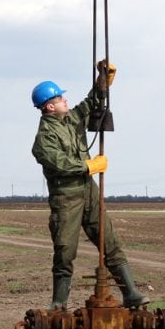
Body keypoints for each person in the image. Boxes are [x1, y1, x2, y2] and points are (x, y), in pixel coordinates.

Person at [30, 61, 149, 310]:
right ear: (50, 106)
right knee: (65, 251)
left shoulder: (72, 119)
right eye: (61, 98)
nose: (66, 100)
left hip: (89, 192)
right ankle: (59, 303)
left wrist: (102, 80)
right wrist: (88, 167)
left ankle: (131, 294)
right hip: (66, 198)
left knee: (109, 242)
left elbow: (91, 103)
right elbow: (59, 163)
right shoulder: (44, 139)